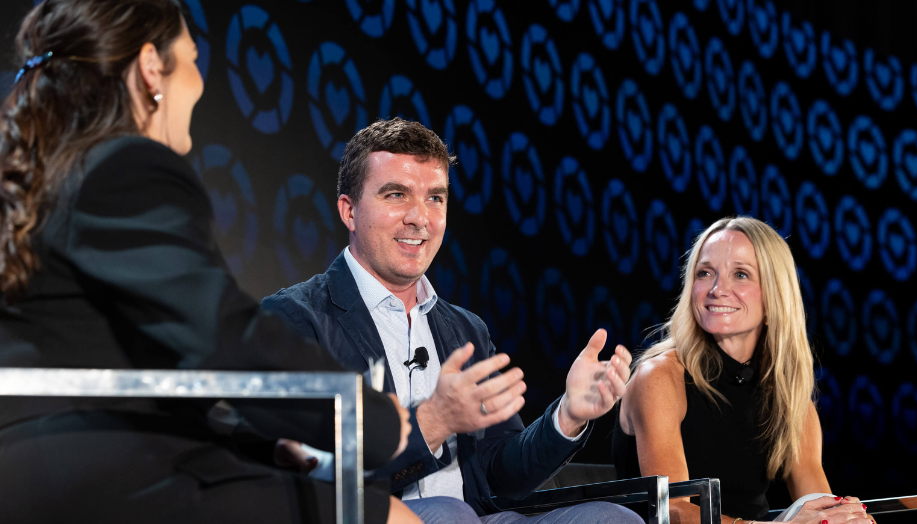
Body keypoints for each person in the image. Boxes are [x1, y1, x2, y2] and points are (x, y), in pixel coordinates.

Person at [0, 1, 416, 523]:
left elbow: (131, 365)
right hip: (108, 475)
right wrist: (367, 418)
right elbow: (220, 336)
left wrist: (261, 448)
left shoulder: (38, 184)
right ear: (152, 67)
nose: (199, 81)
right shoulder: (125, 167)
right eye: (192, 59)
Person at [261, 117, 643, 524]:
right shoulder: (296, 319)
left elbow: (502, 475)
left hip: (474, 518)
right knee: (448, 513)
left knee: (613, 519)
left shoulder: (465, 330)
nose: (419, 218)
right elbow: (306, 471)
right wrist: (432, 423)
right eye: (396, 195)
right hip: (373, 516)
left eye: (435, 198)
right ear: (349, 211)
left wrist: (568, 414)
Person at [613, 217, 872, 524]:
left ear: (774, 295)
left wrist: (845, 515)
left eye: (740, 274)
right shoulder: (658, 377)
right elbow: (673, 511)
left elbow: (817, 503)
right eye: (705, 273)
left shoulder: (789, 395)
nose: (717, 289)